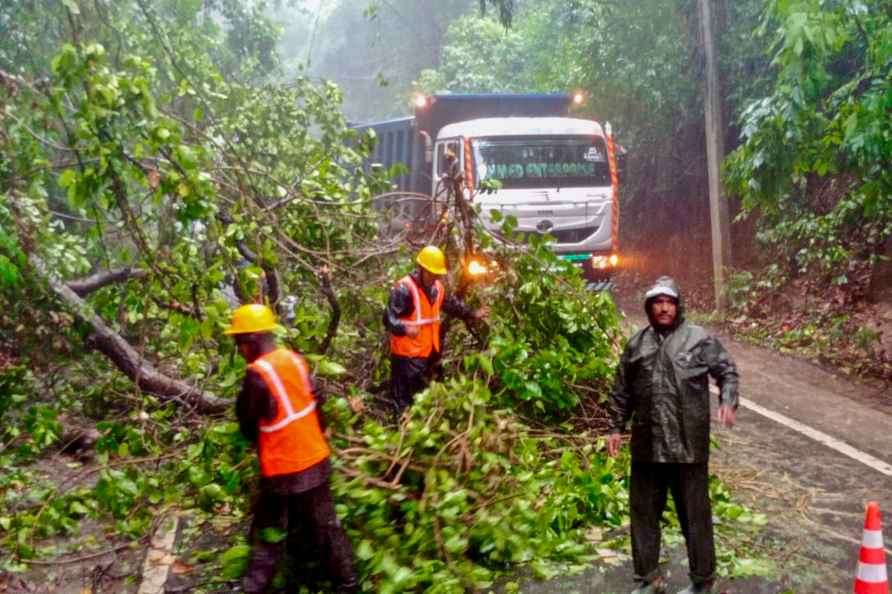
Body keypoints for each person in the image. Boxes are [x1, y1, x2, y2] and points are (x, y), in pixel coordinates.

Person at [606, 276, 739, 594]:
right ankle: (648, 578)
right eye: (658, 303)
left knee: (695, 515)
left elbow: (727, 370)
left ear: (677, 306)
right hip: (647, 446)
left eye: (669, 302)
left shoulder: (699, 338)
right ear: (649, 307)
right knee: (643, 513)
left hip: (687, 446)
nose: (664, 308)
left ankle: (703, 580)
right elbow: (621, 389)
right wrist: (615, 426)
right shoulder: (637, 344)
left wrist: (728, 400)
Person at [225, 304, 358, 594]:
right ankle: (346, 583)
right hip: (316, 459)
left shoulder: (257, 375)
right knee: (327, 527)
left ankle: (254, 588)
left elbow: (248, 423)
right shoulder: (295, 360)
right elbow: (317, 401)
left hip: (283, 469)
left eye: (239, 343)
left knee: (269, 533)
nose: (239, 350)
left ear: (252, 340)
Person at [383, 245, 489, 415]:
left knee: (428, 397)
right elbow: (388, 319)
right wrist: (404, 328)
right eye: (432, 274)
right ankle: (403, 433)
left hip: (430, 353)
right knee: (405, 402)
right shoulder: (404, 289)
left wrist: (473, 313)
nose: (435, 278)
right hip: (407, 357)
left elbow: (452, 305)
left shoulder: (437, 289)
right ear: (422, 269)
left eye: (437, 274)